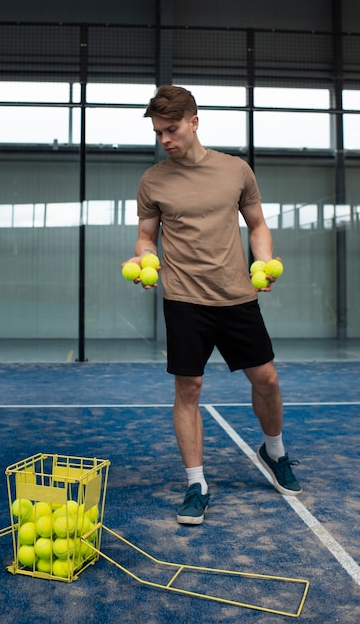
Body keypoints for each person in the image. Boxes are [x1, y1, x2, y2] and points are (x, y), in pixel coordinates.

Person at [122, 85, 301, 525]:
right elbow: (147, 237)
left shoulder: (236, 170)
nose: (165, 139)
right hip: (184, 299)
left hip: (238, 295)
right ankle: (196, 483)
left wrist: (264, 260)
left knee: (268, 381)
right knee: (189, 390)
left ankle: (273, 451)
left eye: (172, 129)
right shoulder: (152, 181)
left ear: (194, 122)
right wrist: (142, 257)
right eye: (158, 131)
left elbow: (257, 224)